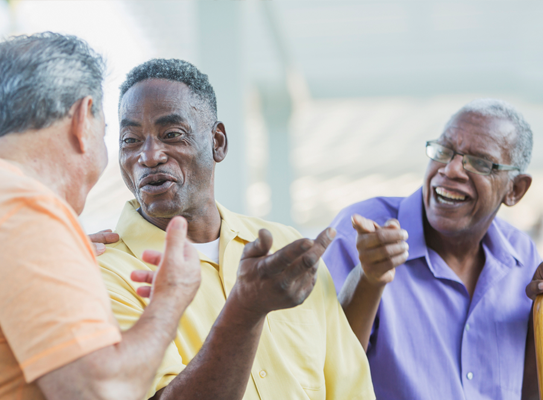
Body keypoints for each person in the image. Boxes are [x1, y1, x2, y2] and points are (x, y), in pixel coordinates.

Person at [97, 58, 374, 400]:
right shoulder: (101, 273)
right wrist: (247, 309)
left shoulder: (286, 247)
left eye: (171, 135)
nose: (149, 155)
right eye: (130, 140)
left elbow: (351, 389)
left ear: (218, 142)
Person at [0, 33, 202, 400]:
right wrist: (170, 298)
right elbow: (102, 391)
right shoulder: (25, 211)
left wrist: (59, 257)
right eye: (110, 136)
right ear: (82, 119)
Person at [323, 98, 541, 400]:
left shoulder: (523, 258)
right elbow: (322, 370)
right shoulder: (360, 234)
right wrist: (368, 279)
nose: (450, 170)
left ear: (514, 190)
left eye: (480, 162)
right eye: (444, 151)